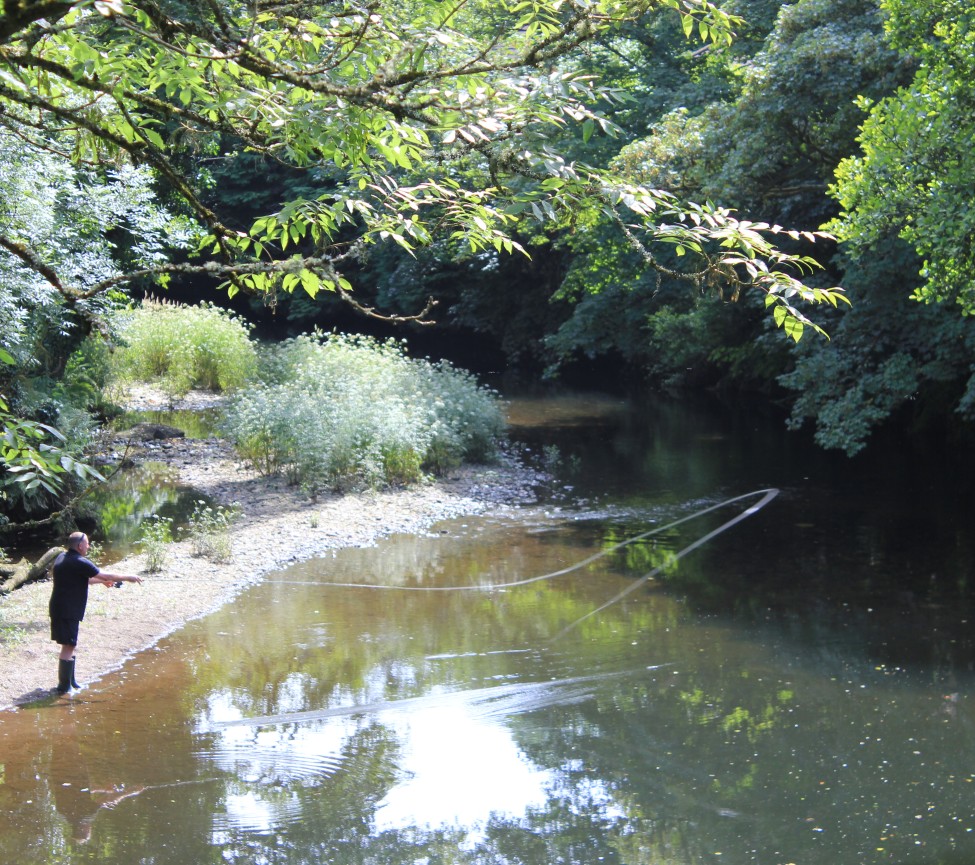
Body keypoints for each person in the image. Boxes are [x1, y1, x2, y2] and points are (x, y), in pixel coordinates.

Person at [49, 531, 143, 694]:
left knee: (71, 644)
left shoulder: (63, 557)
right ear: (79, 546)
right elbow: (103, 574)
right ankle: (63, 687)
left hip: (62, 607)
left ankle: (71, 681)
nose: (89, 546)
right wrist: (128, 577)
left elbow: (84, 579)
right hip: (67, 609)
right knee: (69, 645)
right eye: (87, 543)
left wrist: (102, 582)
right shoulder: (79, 561)